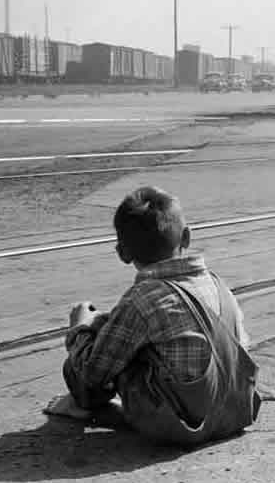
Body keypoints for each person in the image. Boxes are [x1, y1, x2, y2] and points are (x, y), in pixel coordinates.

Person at [51, 186, 260, 447]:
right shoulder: (217, 284)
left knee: (86, 359)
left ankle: (87, 408)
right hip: (235, 413)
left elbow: (94, 372)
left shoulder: (141, 299)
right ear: (186, 237)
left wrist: (79, 329)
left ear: (123, 253)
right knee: (128, 334)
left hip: (183, 428)